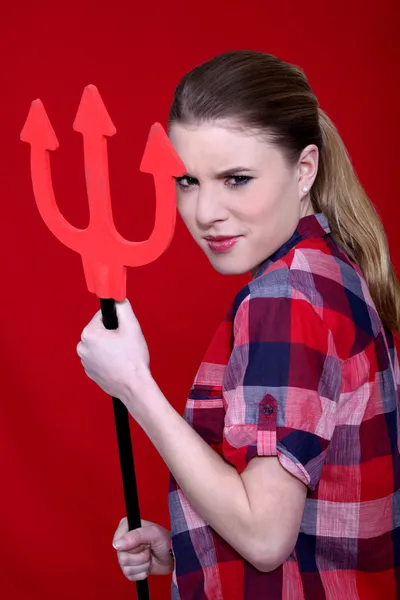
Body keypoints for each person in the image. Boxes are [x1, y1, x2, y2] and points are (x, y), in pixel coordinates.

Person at [76, 50, 400, 599]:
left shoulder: (283, 299)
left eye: (236, 179)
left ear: (304, 170)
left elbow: (265, 535)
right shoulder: (332, 268)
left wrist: (132, 383)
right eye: (187, 181)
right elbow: (310, 520)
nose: (205, 212)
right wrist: (189, 548)